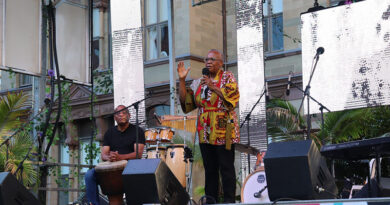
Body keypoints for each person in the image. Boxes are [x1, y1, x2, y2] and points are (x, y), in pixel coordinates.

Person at [177, 49, 240, 203]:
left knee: (226, 168)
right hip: (205, 131)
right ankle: (211, 201)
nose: (208, 62)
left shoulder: (227, 77)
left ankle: (229, 201)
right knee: (210, 169)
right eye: (206, 59)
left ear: (221, 63)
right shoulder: (200, 82)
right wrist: (183, 81)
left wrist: (213, 87)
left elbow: (232, 100)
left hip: (223, 129)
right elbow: (187, 103)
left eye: (212, 59)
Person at [84, 105, 145, 205]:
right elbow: (103, 155)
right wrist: (110, 157)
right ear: (114, 117)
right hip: (113, 167)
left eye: (124, 113)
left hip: (129, 167)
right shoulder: (110, 132)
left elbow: (138, 154)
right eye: (118, 113)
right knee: (89, 175)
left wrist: (120, 157)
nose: (121, 115)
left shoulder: (137, 131)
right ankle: (94, 203)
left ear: (129, 115)